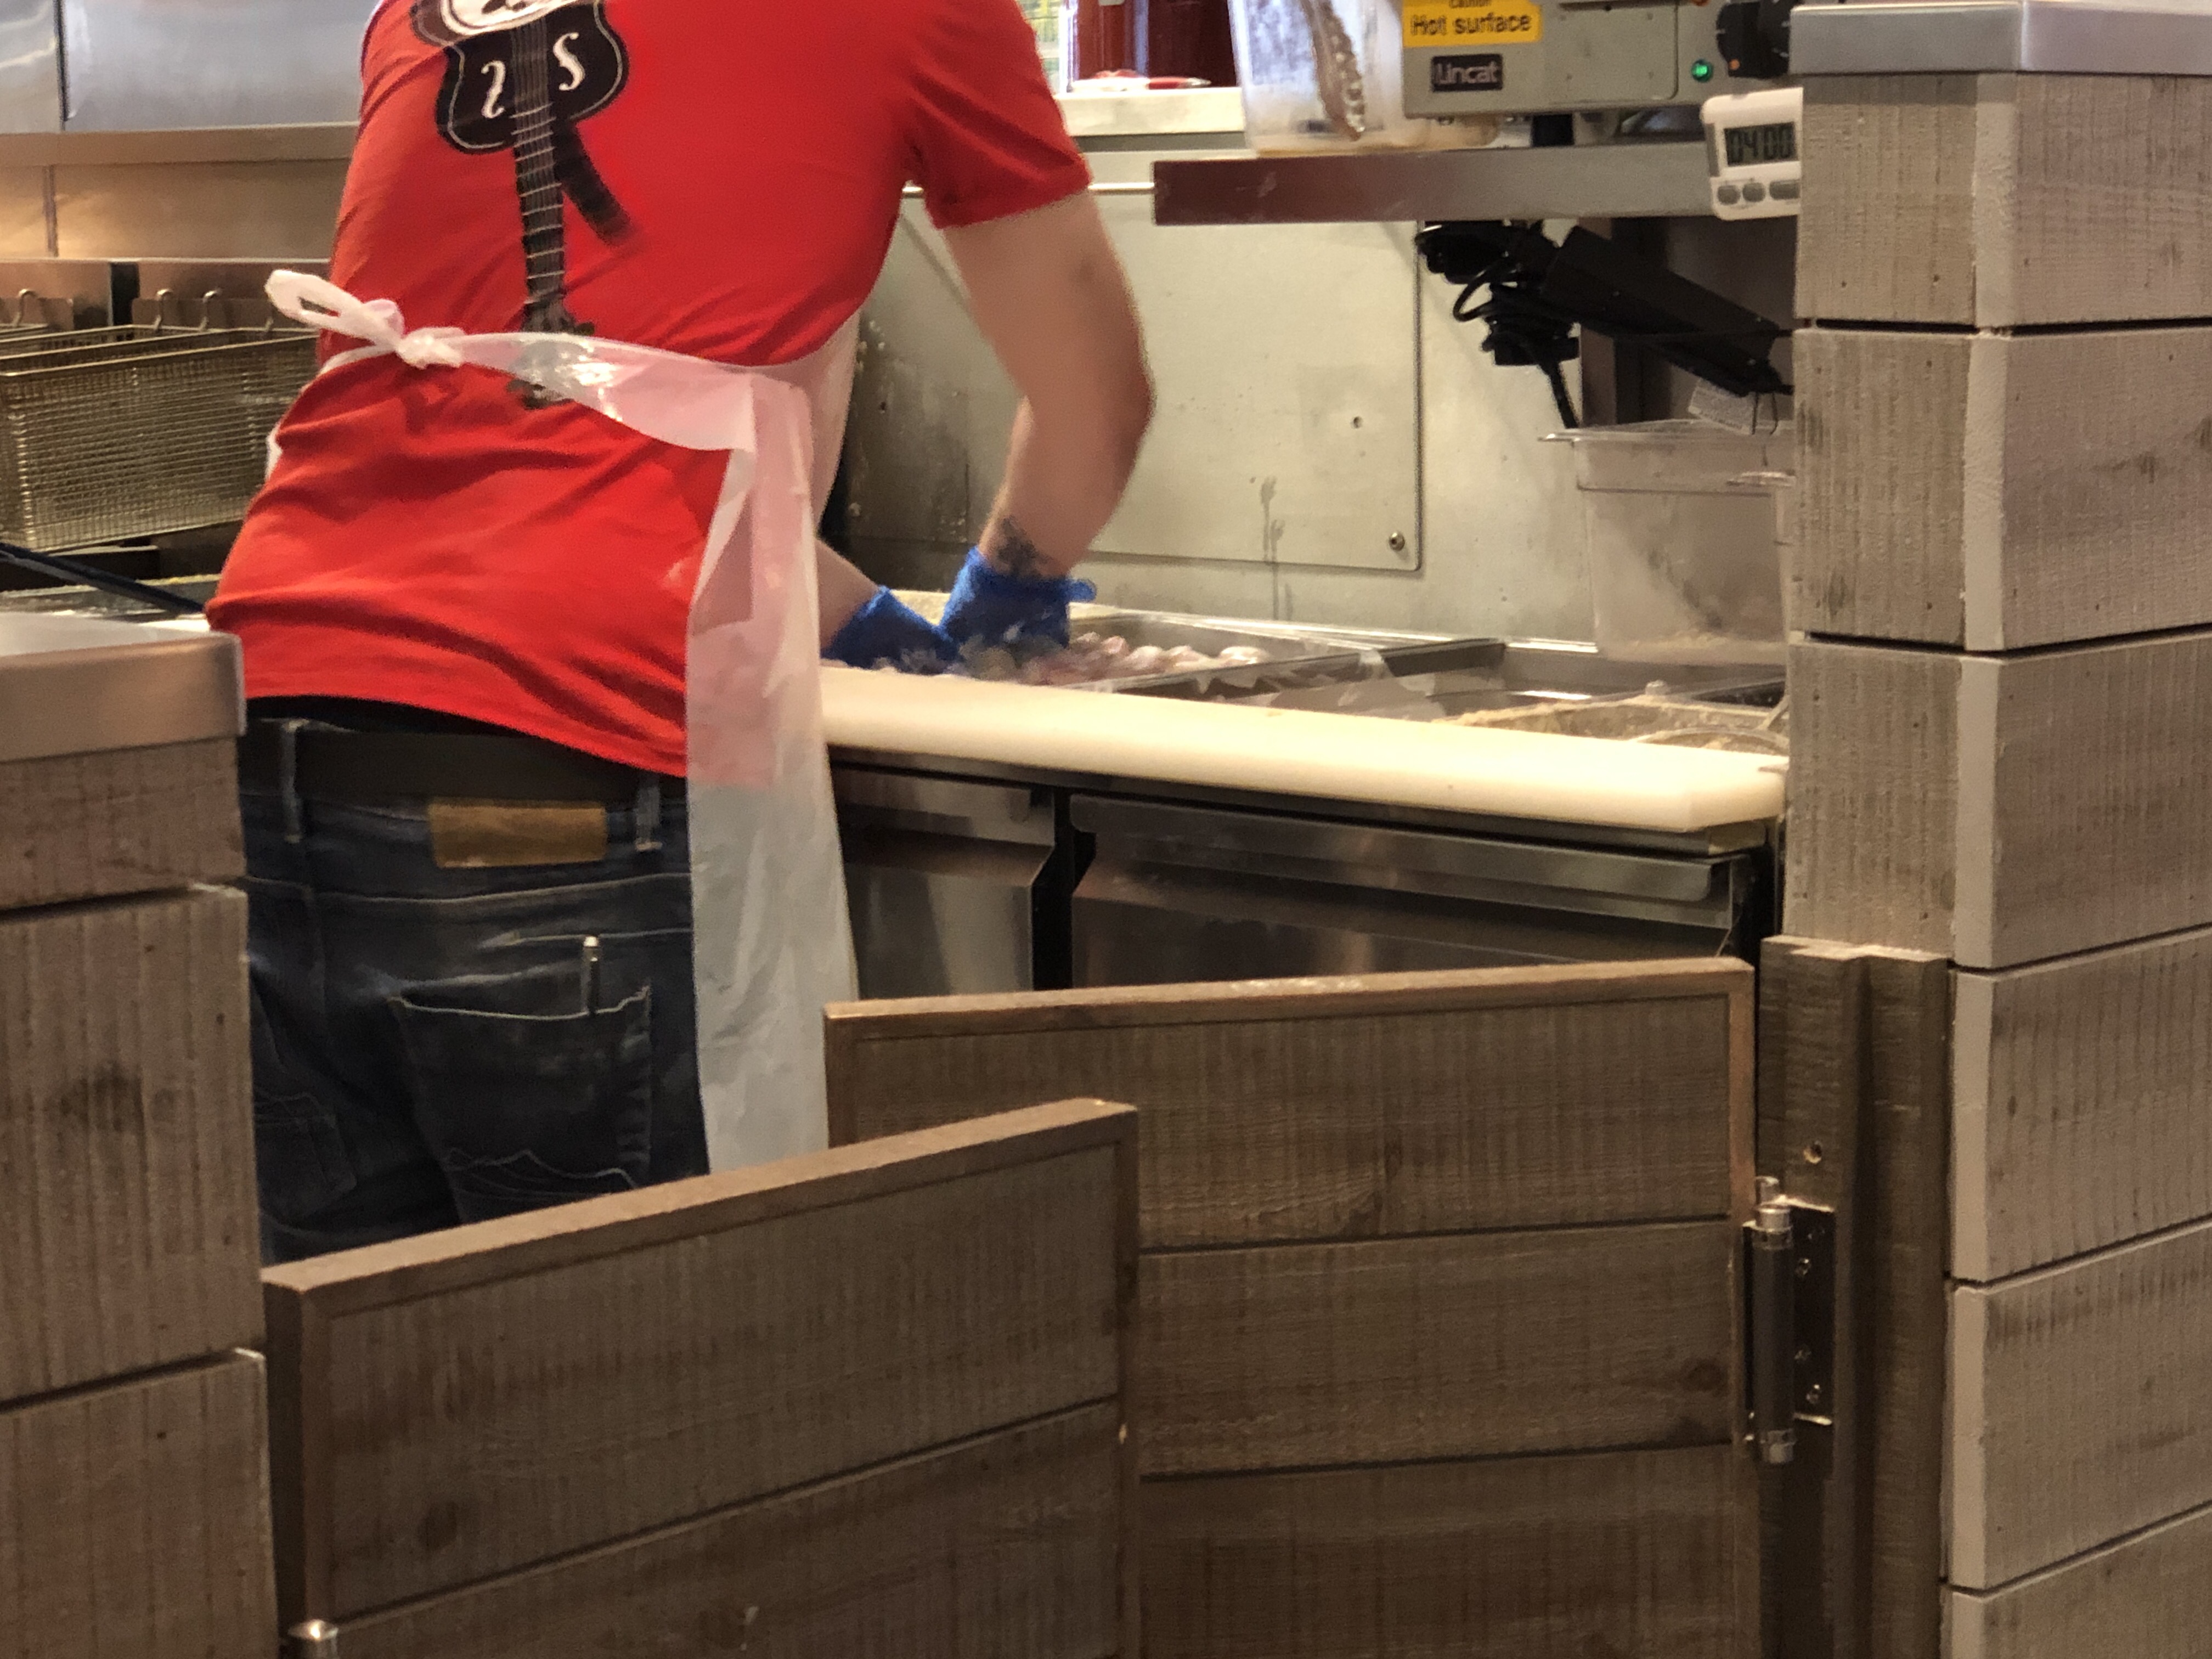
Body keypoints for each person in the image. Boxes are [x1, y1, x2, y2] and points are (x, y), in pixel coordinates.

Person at [210, 0, 1154, 1262]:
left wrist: (861, 618)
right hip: (566, 753)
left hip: (267, 735)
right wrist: (1008, 596)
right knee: (652, 1355)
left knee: (363, 1357)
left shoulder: (422, 13)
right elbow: (1097, 398)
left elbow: (539, 410)